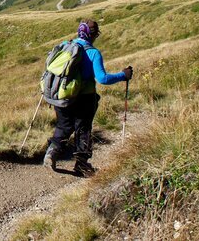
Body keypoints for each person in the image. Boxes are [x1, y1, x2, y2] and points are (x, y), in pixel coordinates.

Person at [43, 19, 133, 177]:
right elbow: (103, 79)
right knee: (83, 129)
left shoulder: (65, 45)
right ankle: (82, 165)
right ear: (93, 35)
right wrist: (123, 75)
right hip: (84, 99)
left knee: (63, 126)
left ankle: (50, 155)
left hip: (62, 95)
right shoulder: (93, 53)